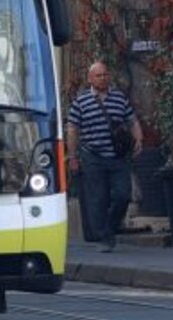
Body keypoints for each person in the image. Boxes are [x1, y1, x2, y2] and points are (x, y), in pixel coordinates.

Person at [65, 60, 142, 252]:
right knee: (97, 199)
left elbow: (132, 120)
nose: (103, 78)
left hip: (117, 157)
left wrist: (139, 138)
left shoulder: (119, 98)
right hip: (93, 157)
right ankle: (105, 237)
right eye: (98, 75)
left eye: (105, 74)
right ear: (90, 79)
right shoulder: (81, 101)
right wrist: (72, 157)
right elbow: (72, 129)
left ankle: (110, 227)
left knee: (123, 195)